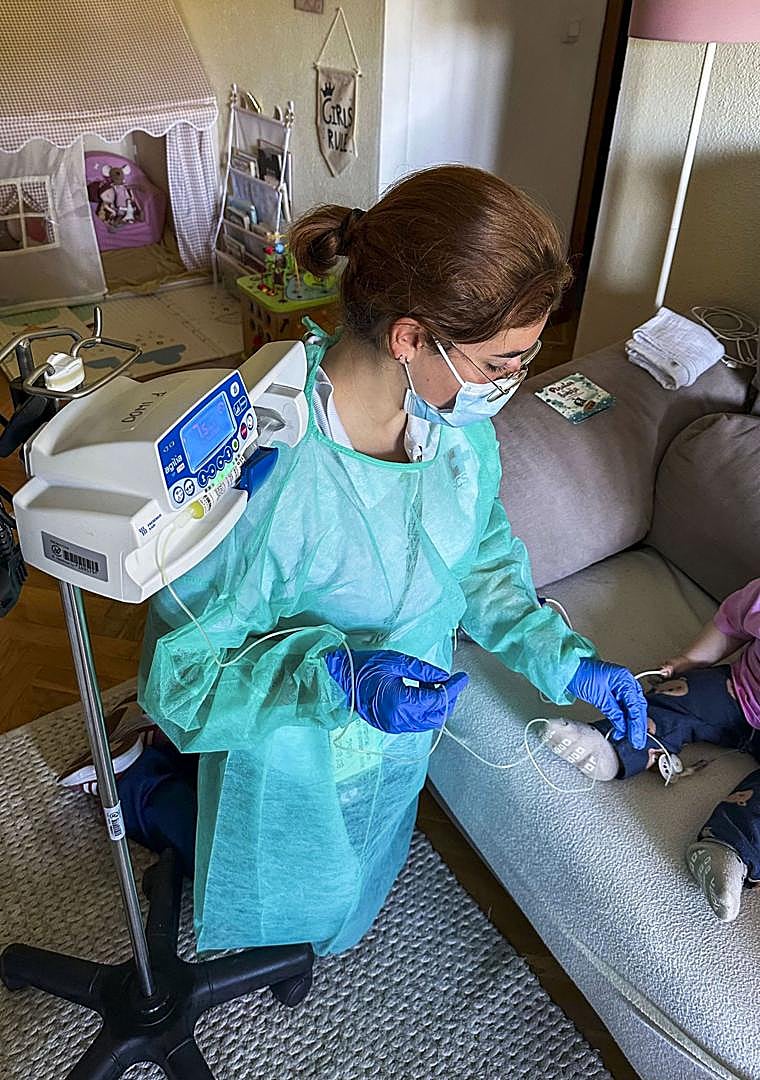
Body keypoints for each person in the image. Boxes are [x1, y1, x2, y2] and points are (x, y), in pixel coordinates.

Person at [59, 165, 647, 955]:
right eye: (502, 363)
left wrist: (563, 663)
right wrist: (333, 677)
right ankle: (142, 787)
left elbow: (475, 559)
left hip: (390, 740)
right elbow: (185, 677)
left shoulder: (451, 428)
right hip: (293, 739)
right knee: (290, 891)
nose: (515, 383)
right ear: (410, 336)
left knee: (359, 870)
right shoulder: (270, 471)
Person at [539, 576, 760, 923]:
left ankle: (729, 850)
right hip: (739, 691)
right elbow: (730, 624)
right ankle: (611, 746)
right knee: (679, 697)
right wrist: (692, 658)